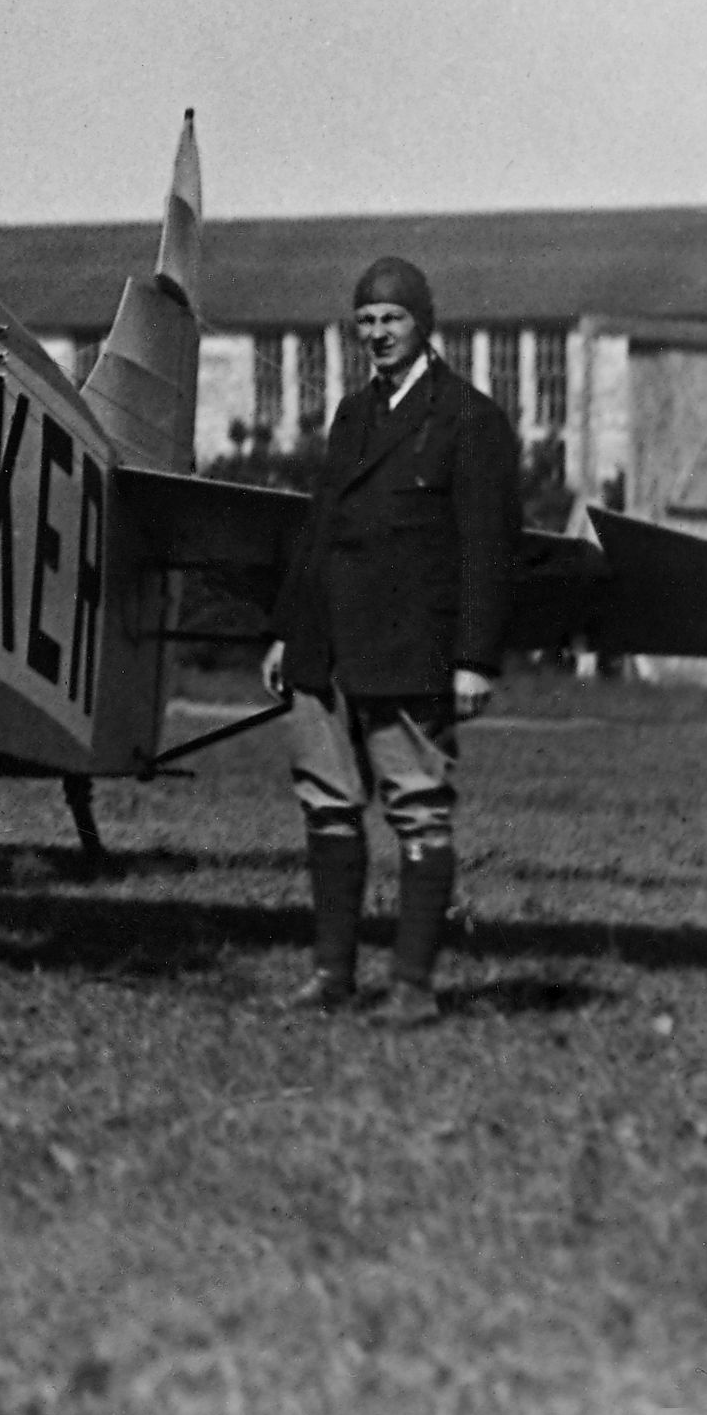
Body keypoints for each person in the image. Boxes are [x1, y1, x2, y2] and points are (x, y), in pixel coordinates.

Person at [260, 255, 523, 1024]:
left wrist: (474, 656)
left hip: (412, 648)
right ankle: (332, 979)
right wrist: (286, 632)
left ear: (423, 324)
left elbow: (488, 549)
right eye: (366, 320)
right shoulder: (352, 413)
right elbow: (319, 531)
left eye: (391, 319)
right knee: (328, 806)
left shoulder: (469, 419)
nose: (377, 332)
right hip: (327, 645)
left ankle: (411, 986)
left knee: (418, 808)